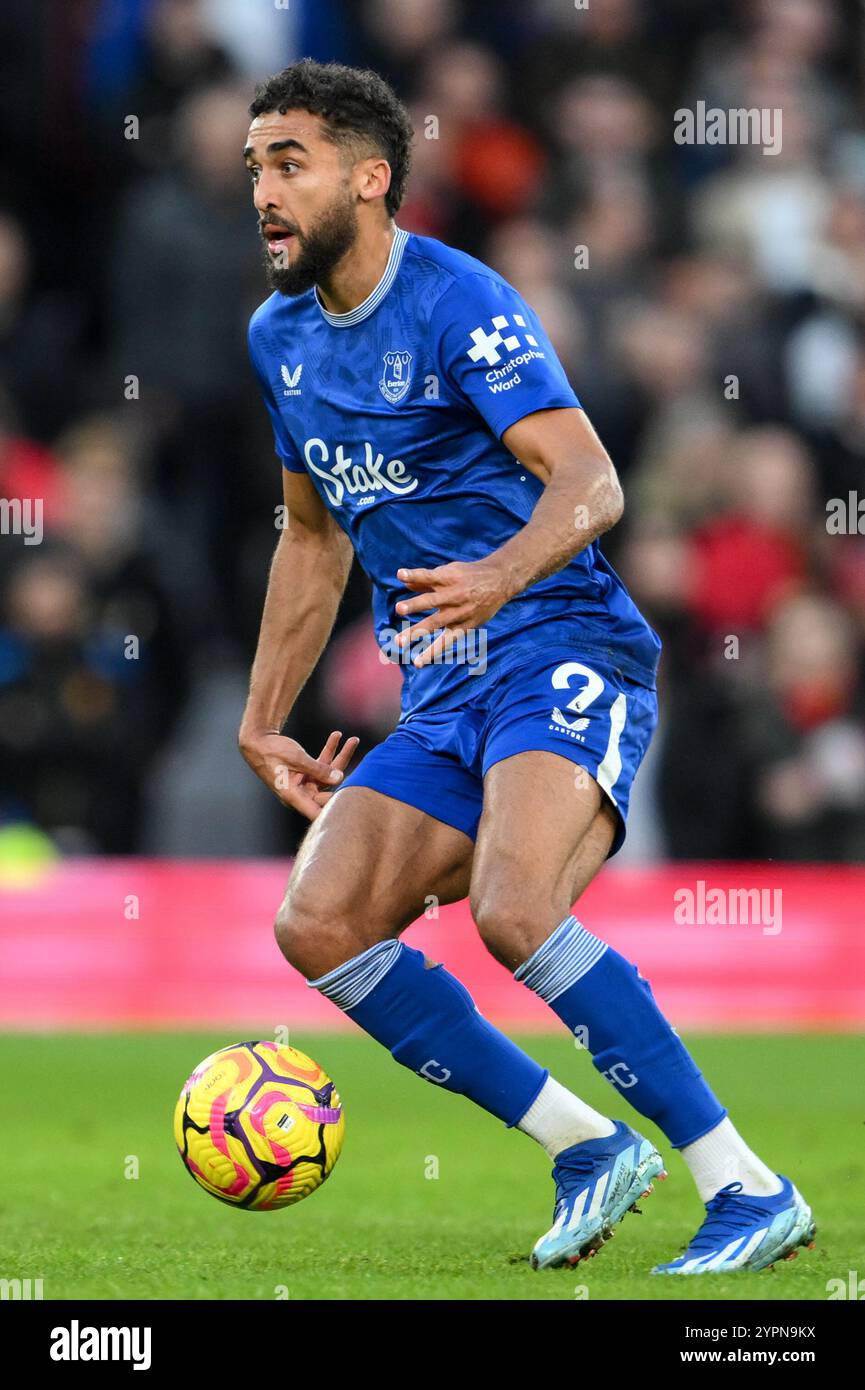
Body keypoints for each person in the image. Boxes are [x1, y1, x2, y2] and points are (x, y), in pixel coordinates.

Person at [238, 59, 814, 1273]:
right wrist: (262, 718)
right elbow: (311, 533)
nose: (264, 193)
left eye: (289, 164)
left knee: (512, 908)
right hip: (444, 682)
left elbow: (591, 483)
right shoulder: (279, 335)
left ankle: (747, 1185)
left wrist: (497, 577)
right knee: (320, 921)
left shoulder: (459, 300)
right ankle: (583, 1145)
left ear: (370, 176)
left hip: (560, 638)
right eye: (253, 169)